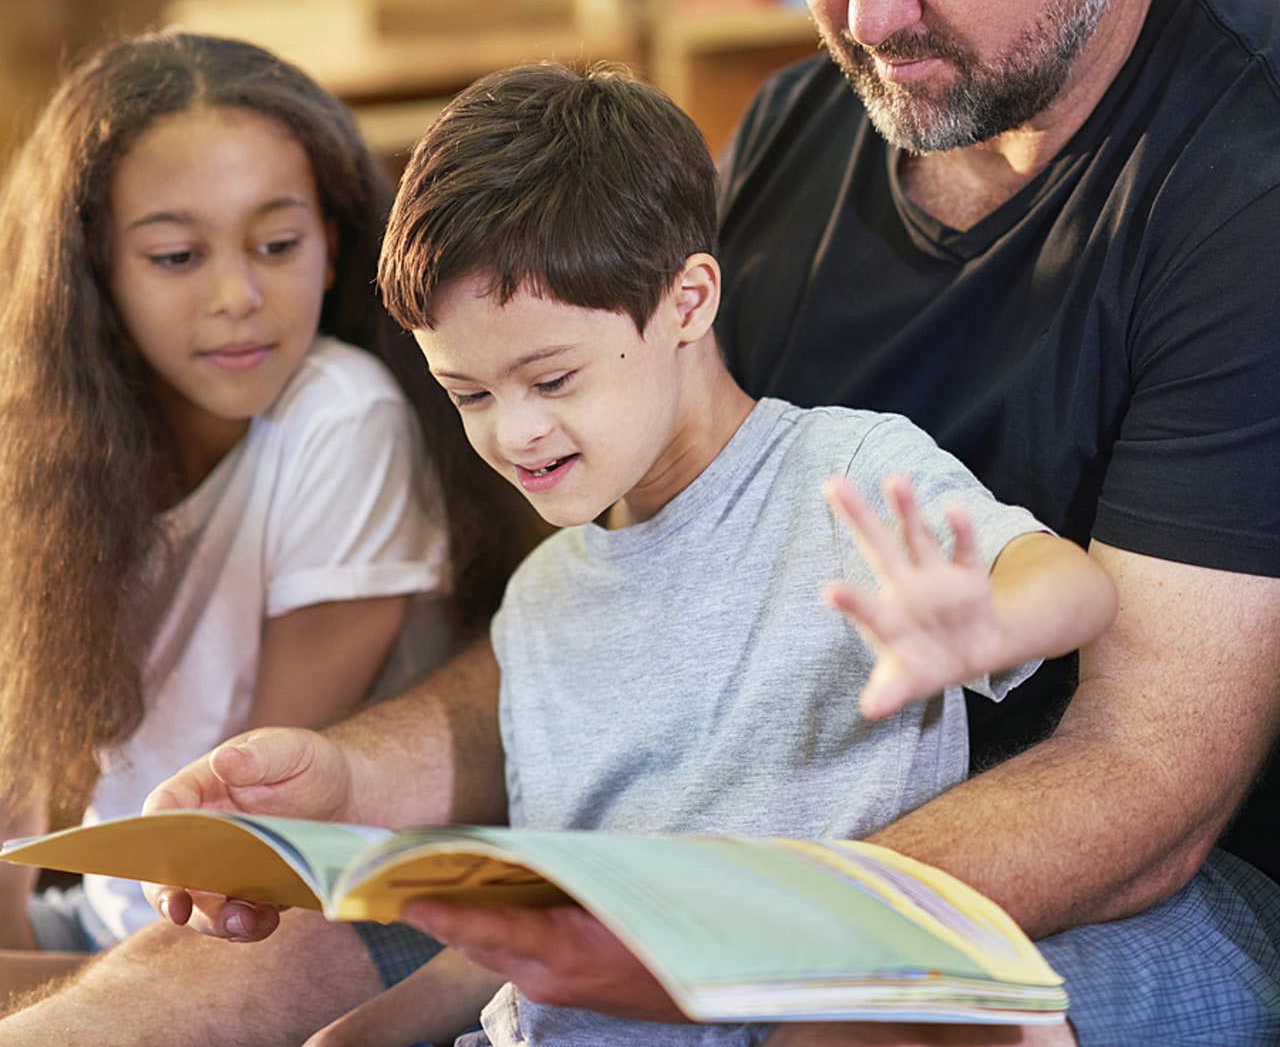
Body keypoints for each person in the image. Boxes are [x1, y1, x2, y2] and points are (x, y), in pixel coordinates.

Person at [3, 0, 1278, 1041]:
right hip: (699, 851)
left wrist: (711, 931)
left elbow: (1146, 777)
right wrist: (347, 780)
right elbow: (622, 627)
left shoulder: (1242, 174)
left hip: (1116, 874)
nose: (867, 9)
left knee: (848, 1022)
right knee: (195, 986)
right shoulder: (801, 121)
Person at [158, 58, 1115, 1047]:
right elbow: (547, 924)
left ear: (688, 302)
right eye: (469, 393)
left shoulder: (842, 477)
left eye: (551, 378)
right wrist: (356, 1034)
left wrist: (988, 623)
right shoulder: (543, 600)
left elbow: (1074, 588)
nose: (515, 432)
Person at [0, 29, 533, 1008]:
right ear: (94, 271)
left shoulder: (341, 414)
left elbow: (236, 855)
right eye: (175, 256)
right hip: (115, 924)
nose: (237, 297)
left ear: (332, 243)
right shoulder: (48, 458)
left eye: (277, 245)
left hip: (297, 923)